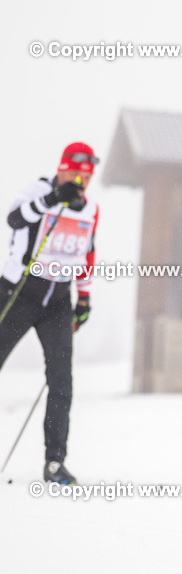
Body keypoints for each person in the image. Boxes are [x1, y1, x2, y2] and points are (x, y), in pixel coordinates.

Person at [0, 143, 99, 485]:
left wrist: (83, 300)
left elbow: (87, 255)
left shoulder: (89, 209)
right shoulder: (38, 192)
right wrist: (53, 199)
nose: (80, 181)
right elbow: (14, 219)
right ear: (62, 168)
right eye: (75, 173)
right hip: (20, 291)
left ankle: (55, 462)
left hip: (58, 299)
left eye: (86, 176)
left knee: (61, 382)